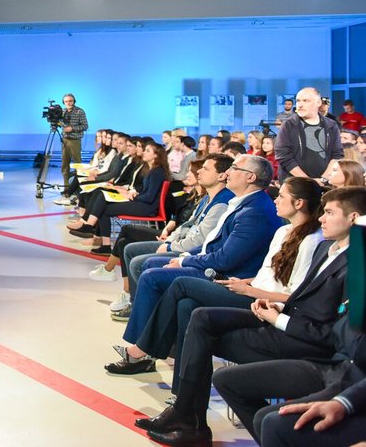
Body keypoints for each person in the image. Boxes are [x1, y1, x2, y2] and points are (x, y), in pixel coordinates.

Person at [134, 186, 360, 446]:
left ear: (353, 218)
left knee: (190, 306)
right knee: (195, 315)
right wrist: (273, 306)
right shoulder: (326, 248)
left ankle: (185, 412)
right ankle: (187, 414)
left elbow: (329, 327)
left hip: (303, 338)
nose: (321, 218)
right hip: (279, 313)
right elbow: (300, 297)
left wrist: (276, 315)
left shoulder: (345, 259)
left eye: (329, 212)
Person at [106, 177, 325, 395]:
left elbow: (295, 296)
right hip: (248, 288)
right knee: (186, 305)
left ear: (299, 203)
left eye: (282, 196)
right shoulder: (284, 232)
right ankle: (183, 393)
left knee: (180, 284)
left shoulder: (310, 241)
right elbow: (268, 274)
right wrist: (246, 282)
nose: (276, 200)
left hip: (263, 304)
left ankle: (143, 350)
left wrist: (249, 290)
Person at [116, 154, 283, 355]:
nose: (228, 172)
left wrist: (185, 261)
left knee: (152, 275)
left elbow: (225, 259)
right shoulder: (241, 203)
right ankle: (148, 345)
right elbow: (211, 243)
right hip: (217, 266)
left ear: (250, 177)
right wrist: (184, 257)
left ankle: (142, 348)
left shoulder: (255, 211)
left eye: (234, 168)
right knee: (154, 270)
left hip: (230, 277)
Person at [110, 154, 235, 319]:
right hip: (179, 242)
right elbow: (187, 225)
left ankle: (143, 310)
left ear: (221, 175)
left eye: (205, 169)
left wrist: (170, 246)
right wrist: (170, 240)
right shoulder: (208, 198)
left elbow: (200, 240)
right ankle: (135, 304)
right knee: (129, 248)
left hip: (192, 252)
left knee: (138, 260)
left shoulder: (221, 203)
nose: (199, 172)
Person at [70, 142, 168, 256]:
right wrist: (132, 193)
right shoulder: (150, 170)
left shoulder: (157, 172)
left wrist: (133, 196)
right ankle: (95, 234)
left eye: (147, 151)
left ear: (156, 155)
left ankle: (98, 238)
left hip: (147, 207)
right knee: (102, 199)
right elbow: (145, 191)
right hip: (142, 202)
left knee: (105, 209)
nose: (144, 153)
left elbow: (149, 197)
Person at [275, 87, 344, 181]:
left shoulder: (331, 125)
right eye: (298, 101)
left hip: (325, 183)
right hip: (295, 184)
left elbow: (337, 154)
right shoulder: (288, 125)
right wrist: (308, 181)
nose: (300, 105)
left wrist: (324, 179)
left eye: (305, 101)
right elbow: (283, 156)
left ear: (318, 103)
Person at [59, 93, 88, 193]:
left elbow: (85, 126)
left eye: (70, 101)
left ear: (74, 101)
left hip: (75, 140)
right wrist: (59, 123)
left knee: (77, 165)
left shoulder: (80, 111)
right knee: (64, 165)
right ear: (64, 102)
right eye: (66, 101)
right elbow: (60, 123)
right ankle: (66, 187)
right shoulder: (62, 111)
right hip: (64, 140)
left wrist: (72, 128)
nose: (68, 103)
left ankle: (78, 188)